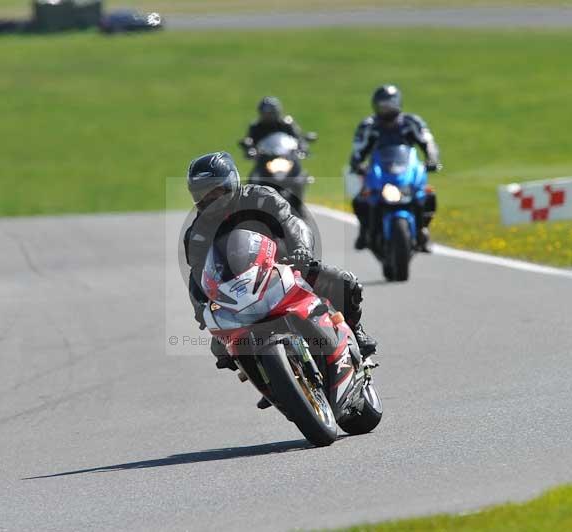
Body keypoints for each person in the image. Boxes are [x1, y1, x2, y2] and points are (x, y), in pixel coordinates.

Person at [183, 152, 377, 388]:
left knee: (344, 282)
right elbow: (198, 274)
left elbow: (292, 223)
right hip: (237, 292)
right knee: (221, 347)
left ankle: (356, 332)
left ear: (231, 183)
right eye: (201, 194)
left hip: (285, 267)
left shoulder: (260, 197)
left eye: (214, 191)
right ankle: (269, 383)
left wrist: (302, 252)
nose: (209, 199)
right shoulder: (198, 233)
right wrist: (201, 308)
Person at [349, 84, 442, 251]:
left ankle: (423, 229)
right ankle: (364, 232)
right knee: (360, 200)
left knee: (428, 195)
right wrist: (357, 164)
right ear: (376, 105)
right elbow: (358, 149)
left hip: (406, 171)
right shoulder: (369, 126)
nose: (387, 108)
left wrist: (432, 159)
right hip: (381, 173)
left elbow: (428, 142)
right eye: (383, 104)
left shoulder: (411, 122)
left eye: (390, 103)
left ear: (398, 102)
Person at [239, 96, 308, 160]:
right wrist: (250, 150)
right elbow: (250, 141)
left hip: (287, 158)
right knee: (254, 173)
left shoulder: (287, 125)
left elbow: (298, 138)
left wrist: (302, 149)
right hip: (264, 161)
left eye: (271, 113)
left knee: (302, 173)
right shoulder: (256, 127)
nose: (268, 116)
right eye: (265, 113)